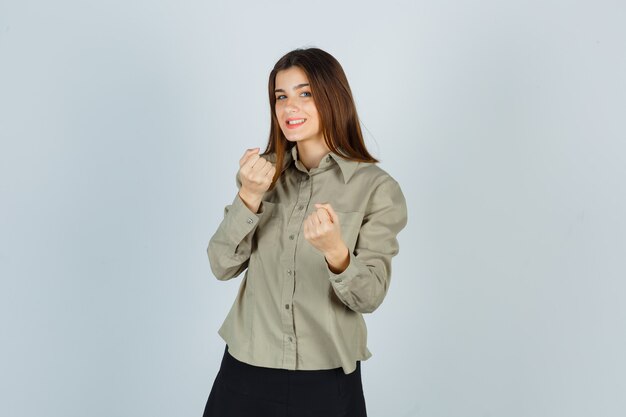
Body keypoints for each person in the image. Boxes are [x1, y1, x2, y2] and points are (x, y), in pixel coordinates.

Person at [202, 47, 408, 417]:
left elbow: (370, 296)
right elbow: (221, 265)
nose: (288, 107)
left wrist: (336, 253)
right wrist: (249, 197)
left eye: (305, 93)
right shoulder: (261, 175)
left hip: (325, 382)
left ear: (333, 97)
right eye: (280, 96)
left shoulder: (377, 190)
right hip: (245, 370)